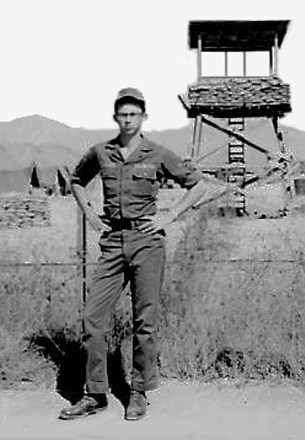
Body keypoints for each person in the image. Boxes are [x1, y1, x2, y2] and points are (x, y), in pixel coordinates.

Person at [58, 87, 228, 421]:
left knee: (144, 322)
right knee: (92, 320)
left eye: (133, 114)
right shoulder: (101, 152)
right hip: (113, 241)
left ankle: (138, 391)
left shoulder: (158, 152)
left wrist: (167, 217)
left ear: (143, 117)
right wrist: (91, 216)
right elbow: (76, 180)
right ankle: (95, 394)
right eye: (122, 115)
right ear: (115, 118)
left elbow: (197, 185)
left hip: (147, 242)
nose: (128, 120)